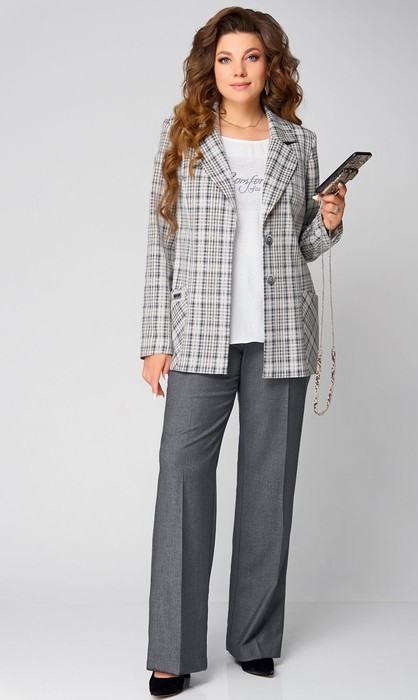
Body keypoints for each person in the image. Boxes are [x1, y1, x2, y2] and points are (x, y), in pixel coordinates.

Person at [140, 6, 347, 696]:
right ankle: (172, 649)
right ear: (210, 66)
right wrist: (154, 339)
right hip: (199, 333)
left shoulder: (298, 142)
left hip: (281, 334)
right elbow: (160, 241)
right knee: (182, 483)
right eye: (225, 58)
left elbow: (303, 245)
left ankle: (254, 639)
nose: (238, 70)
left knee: (267, 492)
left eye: (251, 57)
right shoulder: (182, 136)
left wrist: (329, 221)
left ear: (270, 65)